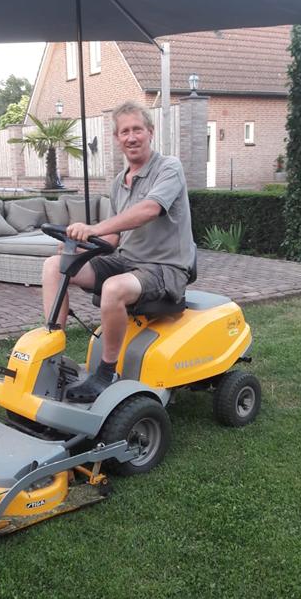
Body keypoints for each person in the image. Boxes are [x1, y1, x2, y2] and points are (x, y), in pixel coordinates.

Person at [42, 100, 196, 402]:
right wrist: (78, 245)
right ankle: (52, 356)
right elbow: (113, 237)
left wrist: (94, 228)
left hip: (165, 268)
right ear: (116, 138)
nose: (131, 137)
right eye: (125, 131)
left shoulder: (169, 168)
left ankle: (106, 372)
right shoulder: (118, 182)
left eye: (137, 129)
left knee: (113, 288)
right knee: (54, 266)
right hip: (126, 262)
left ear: (150, 132)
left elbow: (149, 210)